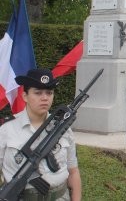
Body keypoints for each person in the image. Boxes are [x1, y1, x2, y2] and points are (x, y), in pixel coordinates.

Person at [0, 69, 81, 201]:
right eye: (38, 93)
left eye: (49, 93)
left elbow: (73, 172)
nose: (44, 98)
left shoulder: (63, 129)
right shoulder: (6, 129)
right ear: (25, 96)